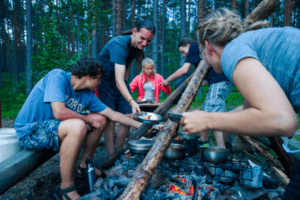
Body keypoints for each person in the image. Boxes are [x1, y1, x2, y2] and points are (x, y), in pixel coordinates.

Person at [180, 8, 300, 199]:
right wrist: (216, 125)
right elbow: (249, 110)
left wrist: (208, 119)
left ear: (207, 47)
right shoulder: (248, 45)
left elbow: (283, 121)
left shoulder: (232, 52)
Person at [14, 57, 143, 200]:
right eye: (98, 79)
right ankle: (66, 189)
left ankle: (83, 168)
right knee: (79, 125)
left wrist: (142, 125)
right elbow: (59, 112)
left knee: (100, 119)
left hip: (55, 128)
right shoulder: (57, 77)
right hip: (31, 131)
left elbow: (112, 114)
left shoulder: (87, 95)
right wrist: (87, 120)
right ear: (89, 77)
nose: (100, 82)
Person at [97, 19, 155, 155]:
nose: (144, 43)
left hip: (119, 81)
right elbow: (118, 80)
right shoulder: (119, 44)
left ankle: (120, 150)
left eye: (148, 41)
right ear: (134, 31)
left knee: (129, 116)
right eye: (142, 38)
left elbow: (125, 72)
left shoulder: (134, 47)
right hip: (103, 82)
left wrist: (125, 91)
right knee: (110, 120)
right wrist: (131, 100)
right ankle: (111, 157)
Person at [162, 37, 232, 147]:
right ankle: (203, 141)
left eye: (183, 51)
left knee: (213, 113)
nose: (184, 55)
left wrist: (167, 80)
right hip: (219, 82)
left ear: (188, 46)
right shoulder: (201, 54)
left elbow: (184, 70)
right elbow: (203, 80)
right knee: (207, 110)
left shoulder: (195, 46)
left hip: (219, 82)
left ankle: (220, 148)